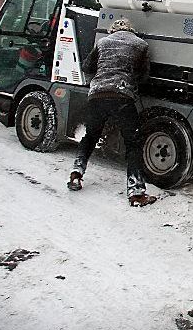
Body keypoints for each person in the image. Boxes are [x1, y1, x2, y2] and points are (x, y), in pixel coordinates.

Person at [67, 17, 156, 207]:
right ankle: (136, 192)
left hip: (97, 95)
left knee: (90, 137)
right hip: (122, 97)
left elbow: (87, 67)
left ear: (112, 31)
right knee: (133, 143)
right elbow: (144, 76)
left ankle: (76, 174)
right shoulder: (141, 45)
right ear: (131, 30)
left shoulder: (102, 42)